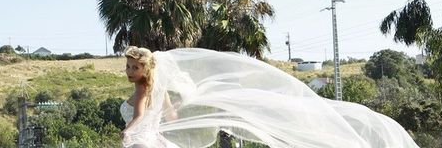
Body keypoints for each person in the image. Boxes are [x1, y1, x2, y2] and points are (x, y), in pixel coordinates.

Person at [121, 46, 420, 148]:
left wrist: (129, 131)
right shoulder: (156, 87)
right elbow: (170, 116)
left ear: (145, 69)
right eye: (128, 66)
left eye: (134, 67)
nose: (129, 71)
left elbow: (139, 116)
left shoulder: (143, 90)